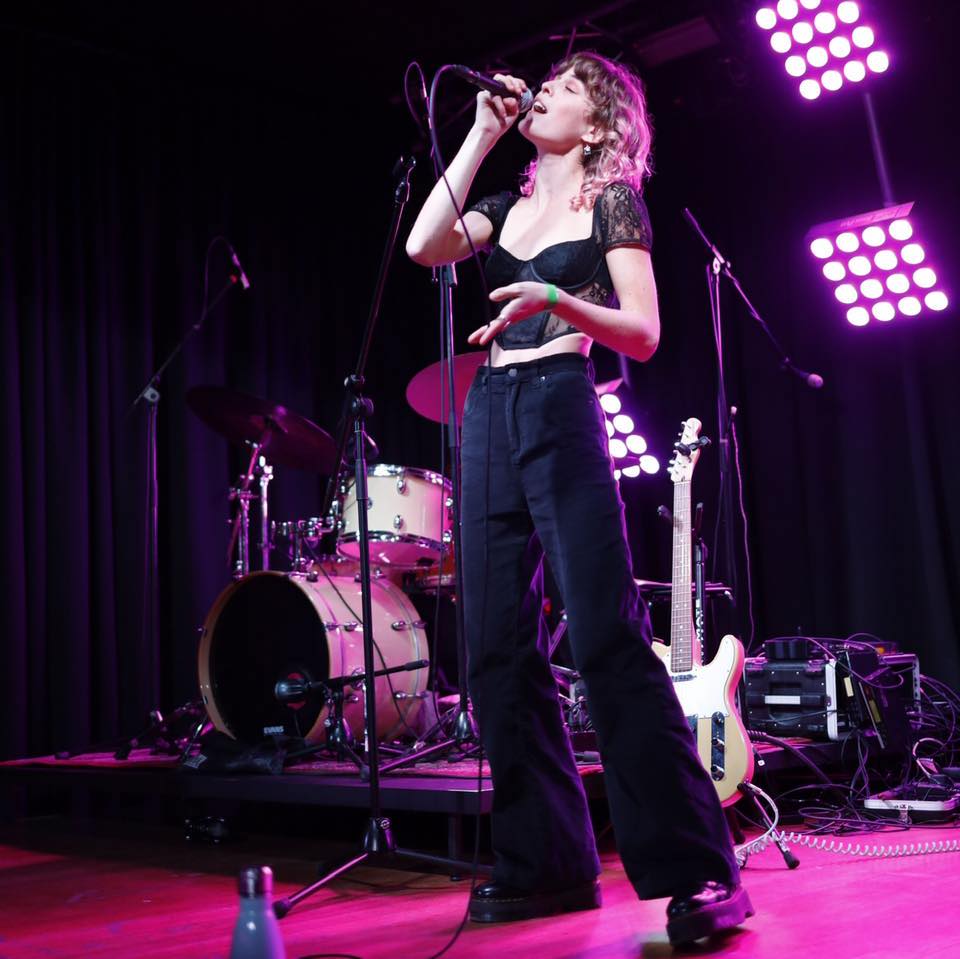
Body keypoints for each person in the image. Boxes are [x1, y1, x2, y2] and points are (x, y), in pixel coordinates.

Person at [405, 51, 753, 946]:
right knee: (493, 648)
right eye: (543, 84)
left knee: (604, 637)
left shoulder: (611, 202)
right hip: (490, 411)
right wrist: (481, 131)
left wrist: (558, 296)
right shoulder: (505, 205)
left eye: (563, 87)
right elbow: (423, 244)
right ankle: (546, 862)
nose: (541, 92)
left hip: (563, 402)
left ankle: (702, 871)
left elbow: (643, 331)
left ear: (598, 125)